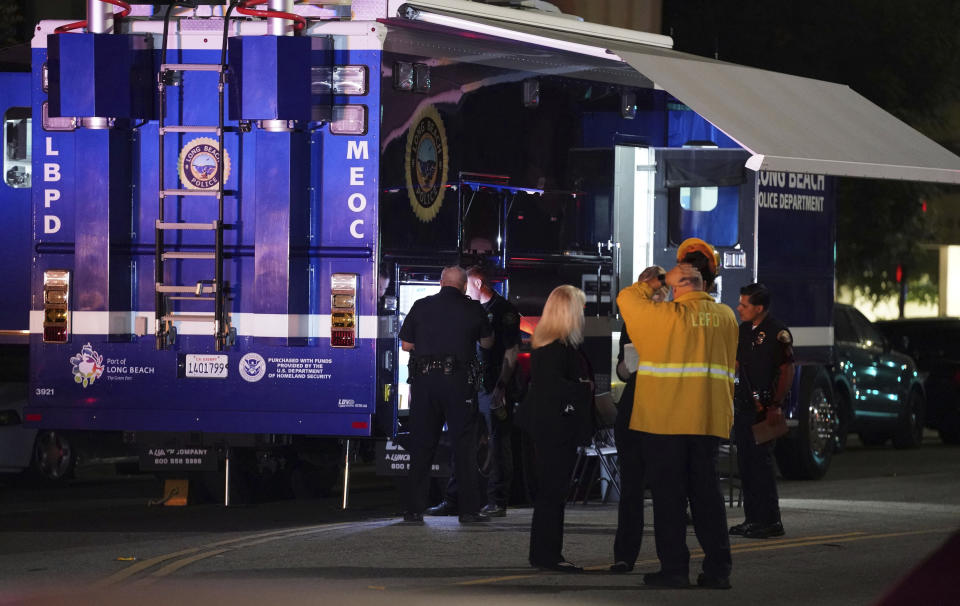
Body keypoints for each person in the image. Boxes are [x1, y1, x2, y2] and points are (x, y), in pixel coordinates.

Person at [616, 238, 738, 590]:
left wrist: (654, 280)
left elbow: (627, 298)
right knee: (707, 496)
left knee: (669, 499)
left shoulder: (664, 318)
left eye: (673, 282)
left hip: (665, 422)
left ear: (679, 284)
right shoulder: (727, 317)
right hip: (707, 421)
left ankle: (674, 569)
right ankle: (718, 570)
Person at [399, 266, 494, 524]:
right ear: (464, 286)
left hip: (425, 383)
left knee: (422, 445)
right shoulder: (472, 308)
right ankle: (468, 510)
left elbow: (406, 344)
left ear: (441, 282)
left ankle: (413, 510)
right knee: (463, 446)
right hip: (458, 383)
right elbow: (487, 342)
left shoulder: (421, 305)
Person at [425, 266, 521, 518]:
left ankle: (497, 500)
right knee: (463, 441)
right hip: (470, 385)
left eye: (467, 286)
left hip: (493, 387)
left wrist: (502, 386)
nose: (465, 291)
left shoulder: (505, 311)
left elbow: (511, 352)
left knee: (498, 442)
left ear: (478, 284)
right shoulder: (470, 309)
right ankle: (454, 499)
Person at [525, 285, 591, 572]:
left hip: (546, 426)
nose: (584, 312)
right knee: (553, 493)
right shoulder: (558, 348)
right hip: (556, 428)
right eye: (581, 307)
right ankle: (548, 555)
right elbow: (554, 388)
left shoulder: (546, 344)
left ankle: (544, 553)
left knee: (549, 493)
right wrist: (581, 388)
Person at [610, 266, 668, 573]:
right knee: (631, 490)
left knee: (663, 490)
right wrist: (626, 368)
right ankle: (624, 555)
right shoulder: (632, 324)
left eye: (656, 292)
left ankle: (668, 559)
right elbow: (621, 367)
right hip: (633, 407)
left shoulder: (676, 320)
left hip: (661, 411)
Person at [730, 283, 794, 539]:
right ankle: (752, 519)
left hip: (764, 408)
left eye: (744, 305)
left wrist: (776, 405)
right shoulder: (744, 331)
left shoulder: (778, 333)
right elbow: (736, 365)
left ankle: (770, 520)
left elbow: (787, 370)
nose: (739, 308)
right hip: (744, 406)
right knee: (747, 464)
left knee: (762, 467)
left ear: (759, 308)